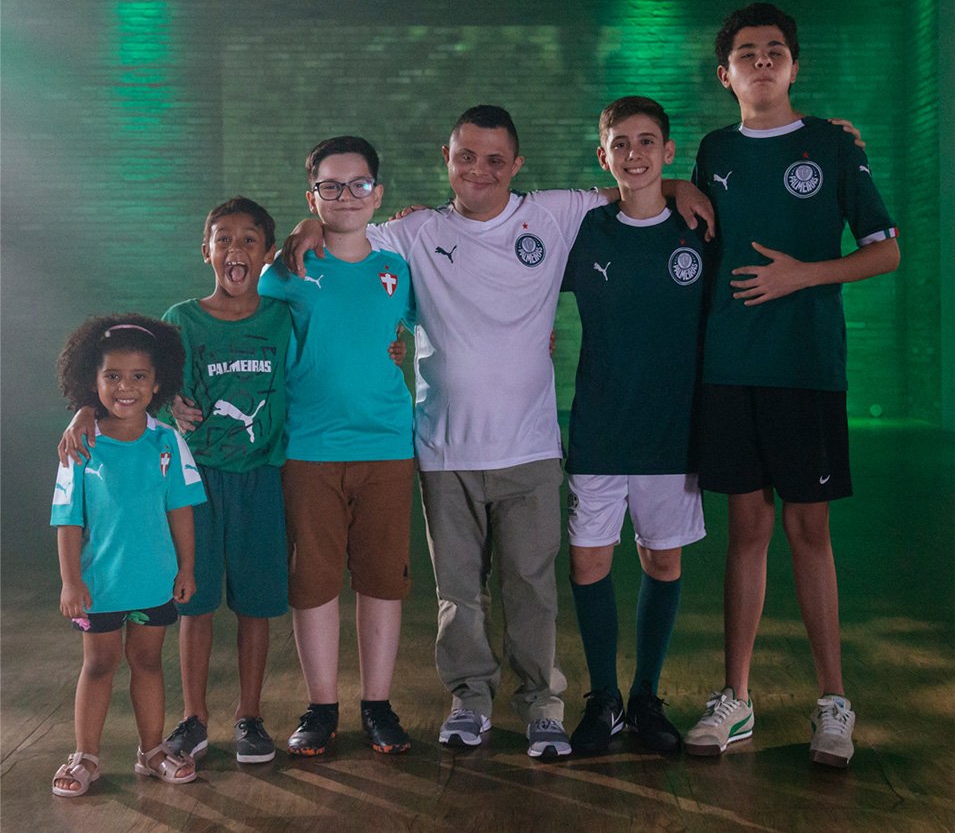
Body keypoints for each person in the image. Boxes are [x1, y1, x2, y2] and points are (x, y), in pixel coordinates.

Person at [282, 105, 714, 759]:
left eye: (493, 159)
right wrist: (308, 223)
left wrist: (678, 186)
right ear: (446, 160)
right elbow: (347, 229)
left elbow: (628, 189)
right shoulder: (413, 232)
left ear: (516, 165)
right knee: (459, 594)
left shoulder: (554, 214)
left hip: (531, 448)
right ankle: (469, 700)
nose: (478, 170)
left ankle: (542, 705)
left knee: (531, 588)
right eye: (465, 157)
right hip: (442, 449)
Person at [684, 3, 900, 768]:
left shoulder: (833, 146)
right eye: (746, 52)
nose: (761, 60)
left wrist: (801, 275)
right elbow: (680, 218)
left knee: (809, 531)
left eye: (774, 49)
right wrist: (674, 181)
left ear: (794, 65)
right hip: (729, 368)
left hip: (805, 368)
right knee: (746, 531)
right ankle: (735, 699)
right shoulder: (713, 150)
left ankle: (832, 703)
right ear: (725, 74)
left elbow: (884, 252)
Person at [59, 198, 291, 766]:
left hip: (261, 475)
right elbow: (140, 387)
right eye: (223, 238)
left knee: (257, 604)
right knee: (195, 601)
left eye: (249, 239)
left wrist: (391, 348)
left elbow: (316, 370)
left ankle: (250, 716)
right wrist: (87, 407)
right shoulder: (182, 319)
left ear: (267, 253)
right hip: (196, 479)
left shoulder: (284, 317)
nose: (235, 249)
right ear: (205, 250)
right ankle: (193, 719)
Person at [259, 136, 417, 756]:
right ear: (313, 197)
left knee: (381, 582)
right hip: (309, 447)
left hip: (387, 445)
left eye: (358, 185)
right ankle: (321, 707)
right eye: (330, 186)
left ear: (377, 195)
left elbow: (434, 328)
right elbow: (245, 335)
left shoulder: (399, 269)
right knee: (315, 582)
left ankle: (377, 705)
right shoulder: (285, 272)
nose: (345, 195)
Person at [561, 97, 707, 755]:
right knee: (589, 560)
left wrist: (680, 191)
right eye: (620, 143)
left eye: (647, 141)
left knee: (662, 558)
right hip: (599, 424)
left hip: (670, 429)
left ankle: (646, 695)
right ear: (603, 156)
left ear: (668, 151)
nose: (634, 153)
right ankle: (604, 699)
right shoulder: (585, 230)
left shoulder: (698, 227)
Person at [51, 314, 204, 796]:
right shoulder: (80, 444)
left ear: (157, 383)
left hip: (154, 580)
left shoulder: (167, 441)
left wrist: (186, 567)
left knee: (148, 662)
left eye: (139, 376)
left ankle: (152, 751)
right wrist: (71, 581)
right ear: (92, 382)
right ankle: (86, 756)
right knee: (99, 665)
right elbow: (67, 520)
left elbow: (180, 509)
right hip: (99, 586)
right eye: (112, 376)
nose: (125, 387)